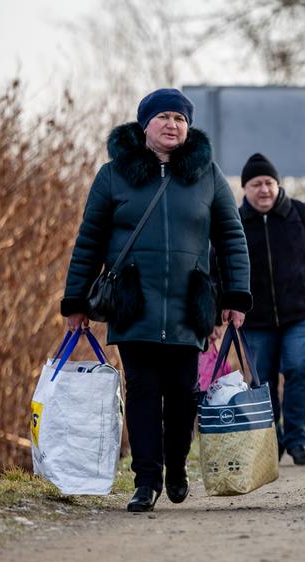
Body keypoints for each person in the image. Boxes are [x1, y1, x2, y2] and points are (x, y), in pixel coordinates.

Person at [62, 88, 251, 512]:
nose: (172, 125)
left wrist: (236, 295)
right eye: (164, 117)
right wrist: (76, 300)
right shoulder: (114, 175)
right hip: (133, 304)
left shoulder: (208, 175)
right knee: (143, 390)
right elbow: (88, 241)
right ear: (144, 124)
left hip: (189, 305)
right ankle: (146, 480)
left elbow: (232, 237)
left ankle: (178, 466)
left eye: (180, 119)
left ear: (189, 127)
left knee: (183, 392)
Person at [237, 152, 305, 466]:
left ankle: (296, 440)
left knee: (297, 369)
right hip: (255, 318)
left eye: (268, 182)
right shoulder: (235, 221)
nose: (264, 189)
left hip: (302, 312)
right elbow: (220, 269)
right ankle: (273, 439)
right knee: (262, 379)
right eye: (256, 184)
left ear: (278, 185)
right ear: (246, 189)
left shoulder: (303, 214)